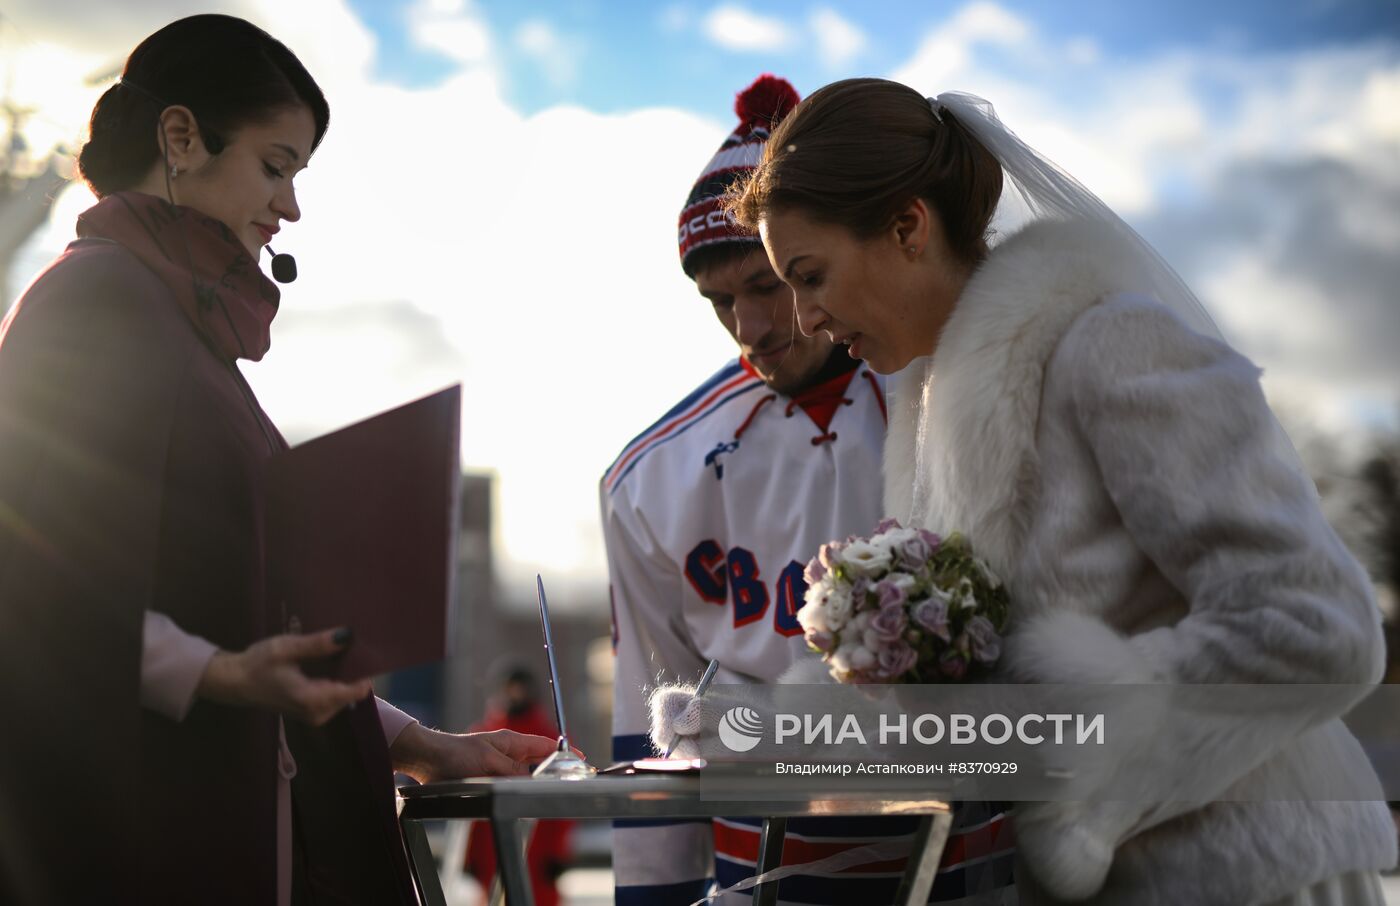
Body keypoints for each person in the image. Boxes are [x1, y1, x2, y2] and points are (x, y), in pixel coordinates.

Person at [729, 76, 1395, 905]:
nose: (802, 318)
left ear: (907, 226)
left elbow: (1320, 624)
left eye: (810, 274)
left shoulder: (1112, 344)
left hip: (1259, 869)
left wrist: (1089, 764)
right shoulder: (926, 407)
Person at [0, 15, 555, 906]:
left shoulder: (168, 321)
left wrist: (422, 745)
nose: (290, 207)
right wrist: (220, 675)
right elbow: (30, 593)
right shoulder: (95, 301)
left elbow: (237, 629)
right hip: (153, 848)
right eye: (275, 165)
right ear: (181, 138)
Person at [603, 75, 1013, 906]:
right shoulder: (649, 475)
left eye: (768, 285)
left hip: (960, 857)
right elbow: (646, 721)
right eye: (719, 301)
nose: (751, 327)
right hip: (754, 870)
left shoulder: (963, 399)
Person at [463, 666, 574, 906]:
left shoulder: (548, 741)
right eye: (512, 688)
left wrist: (558, 851)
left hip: (539, 846)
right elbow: (471, 799)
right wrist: (469, 853)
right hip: (491, 845)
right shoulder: (481, 736)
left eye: (521, 688)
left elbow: (563, 801)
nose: (516, 694)